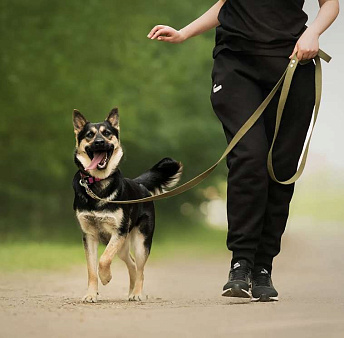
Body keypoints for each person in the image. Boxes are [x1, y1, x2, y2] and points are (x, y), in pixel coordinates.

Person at [147, 0, 339, 302]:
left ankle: (263, 267)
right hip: (236, 65)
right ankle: (241, 263)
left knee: (281, 168)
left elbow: (330, 5)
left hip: (292, 62)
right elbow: (225, 4)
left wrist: (313, 33)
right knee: (249, 156)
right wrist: (184, 33)